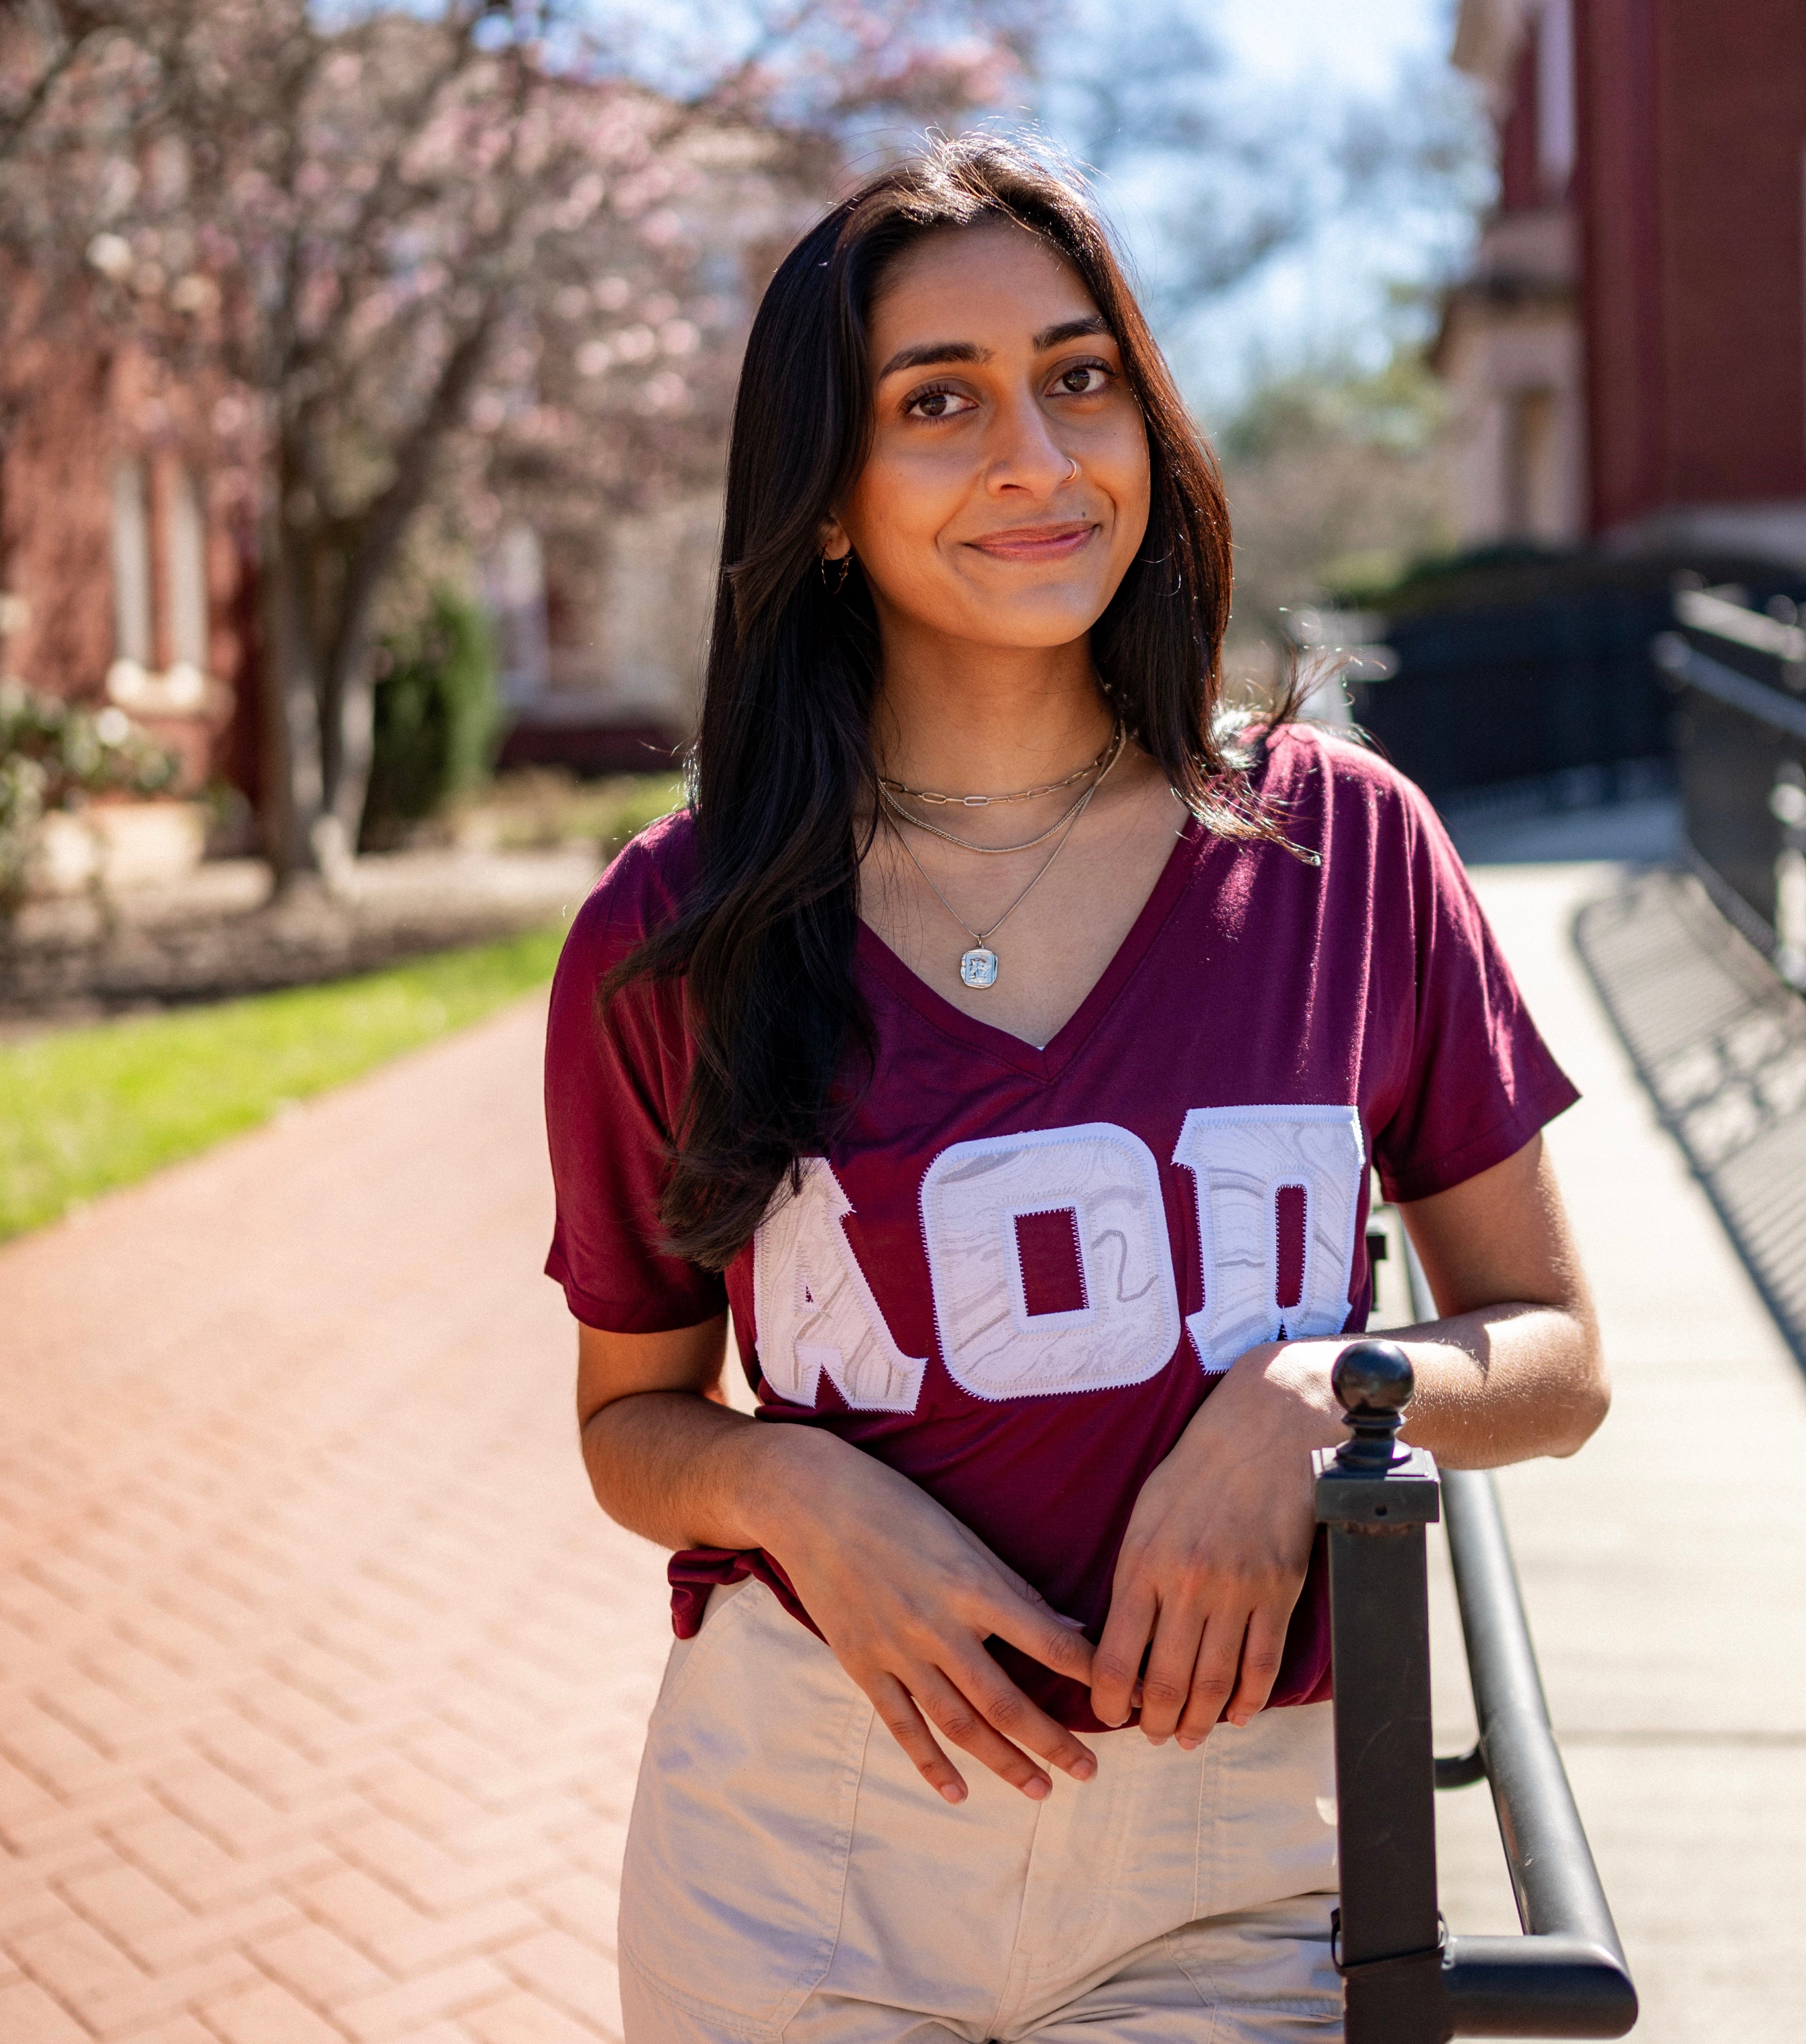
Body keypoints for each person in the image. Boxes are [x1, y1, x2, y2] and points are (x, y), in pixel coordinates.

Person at [543, 136, 1608, 2044]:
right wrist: (788, 1483)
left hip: (1242, 1869)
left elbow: (1555, 1355)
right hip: (801, 1849)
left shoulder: (1340, 848)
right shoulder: (671, 931)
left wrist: (1318, 1402)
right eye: (938, 402)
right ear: (833, 504)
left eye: (1081, 374)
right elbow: (633, 1426)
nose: (1039, 455)